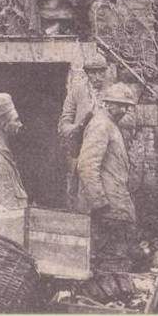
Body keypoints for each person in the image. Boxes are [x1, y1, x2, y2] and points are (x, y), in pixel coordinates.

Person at [77, 83, 138, 272]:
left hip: (114, 204)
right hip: (108, 208)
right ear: (107, 104)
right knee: (110, 258)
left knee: (116, 255)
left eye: (127, 106)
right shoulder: (101, 125)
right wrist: (100, 202)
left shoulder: (109, 124)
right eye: (120, 105)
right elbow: (87, 166)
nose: (124, 110)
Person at [57, 51, 108, 207]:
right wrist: (78, 127)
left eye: (101, 72)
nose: (98, 76)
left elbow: (129, 119)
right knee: (80, 194)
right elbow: (63, 125)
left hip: (107, 151)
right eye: (93, 72)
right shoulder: (77, 91)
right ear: (87, 73)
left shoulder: (113, 92)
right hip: (81, 149)